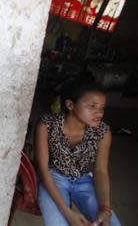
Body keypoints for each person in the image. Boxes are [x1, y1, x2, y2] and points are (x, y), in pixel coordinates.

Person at [34, 81, 121, 226]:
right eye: (92, 106)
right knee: (58, 223)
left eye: (102, 107)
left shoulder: (102, 131)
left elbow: (100, 170)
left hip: (84, 179)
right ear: (70, 105)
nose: (99, 112)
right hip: (53, 178)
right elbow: (43, 170)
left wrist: (105, 208)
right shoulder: (47, 125)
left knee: (110, 223)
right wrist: (68, 214)